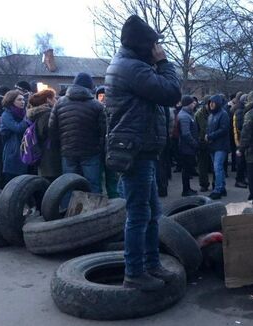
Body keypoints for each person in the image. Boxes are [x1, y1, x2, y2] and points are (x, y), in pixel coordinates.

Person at [105, 15, 181, 290]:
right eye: (154, 45)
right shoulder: (132, 67)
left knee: (151, 212)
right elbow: (172, 92)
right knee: (139, 214)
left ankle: (150, 264)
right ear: (143, 45)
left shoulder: (130, 64)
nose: (158, 49)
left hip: (139, 149)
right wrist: (162, 63)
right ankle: (134, 272)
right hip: (135, 151)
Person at [49, 72, 106, 194]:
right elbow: (103, 131)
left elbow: (52, 129)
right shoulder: (97, 105)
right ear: (90, 87)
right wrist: (100, 148)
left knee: (67, 185)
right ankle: (95, 211)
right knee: (93, 184)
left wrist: (60, 146)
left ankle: (67, 212)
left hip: (68, 151)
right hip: (91, 152)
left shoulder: (59, 103)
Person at [26, 89, 62, 181]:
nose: (56, 100)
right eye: (54, 98)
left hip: (42, 154)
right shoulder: (47, 115)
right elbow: (49, 133)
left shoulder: (36, 114)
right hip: (50, 155)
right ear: (48, 100)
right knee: (52, 185)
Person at [0, 90, 30, 183]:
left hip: (25, 149)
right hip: (13, 150)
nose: (23, 102)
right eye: (19, 100)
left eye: (23, 99)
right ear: (11, 101)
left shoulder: (22, 112)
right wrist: (27, 117)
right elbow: (17, 128)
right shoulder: (6, 114)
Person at [206, 94, 230, 199]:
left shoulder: (223, 114)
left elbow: (224, 129)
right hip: (213, 145)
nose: (211, 104)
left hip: (221, 145)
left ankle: (218, 189)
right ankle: (222, 187)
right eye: (210, 102)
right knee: (218, 168)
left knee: (218, 167)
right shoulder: (211, 115)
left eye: (213, 102)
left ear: (218, 103)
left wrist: (210, 136)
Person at [177, 95, 199, 196]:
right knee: (186, 169)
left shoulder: (187, 114)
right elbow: (186, 133)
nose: (194, 104)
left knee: (187, 169)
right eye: (192, 103)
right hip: (186, 147)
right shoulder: (184, 116)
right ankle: (186, 190)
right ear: (188, 104)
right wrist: (194, 144)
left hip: (187, 147)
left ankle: (188, 188)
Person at [195, 96, 212, 192]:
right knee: (202, 165)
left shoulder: (213, 113)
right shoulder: (199, 114)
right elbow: (200, 128)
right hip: (202, 141)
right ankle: (204, 184)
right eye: (208, 104)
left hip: (211, 140)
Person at [232, 94, 248, 188]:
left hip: (241, 139)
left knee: (242, 161)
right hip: (240, 140)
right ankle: (239, 180)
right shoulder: (240, 111)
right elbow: (240, 126)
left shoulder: (241, 110)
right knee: (241, 162)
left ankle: (241, 179)